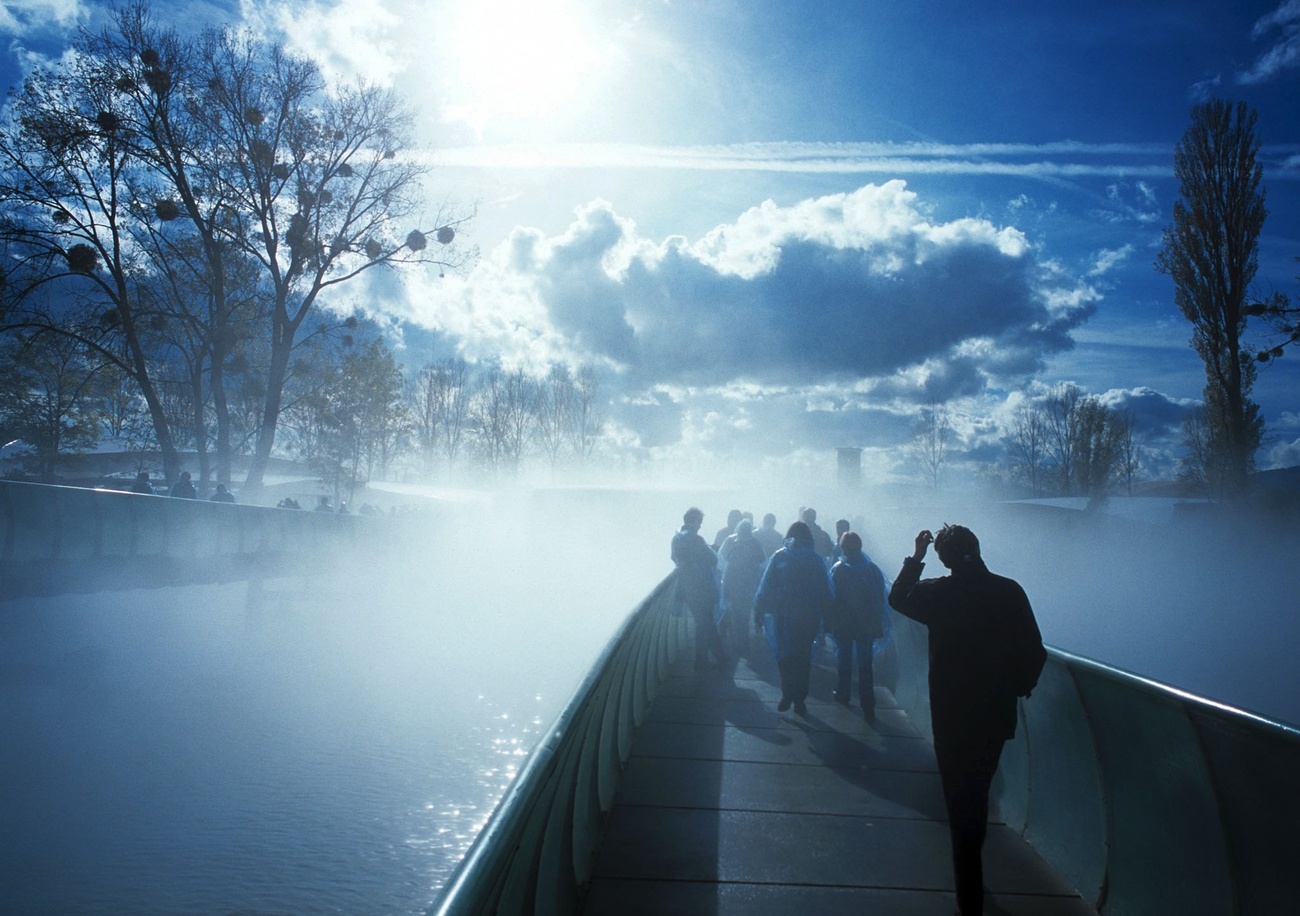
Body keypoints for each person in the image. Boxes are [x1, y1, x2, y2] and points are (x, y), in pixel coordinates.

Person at [888, 525, 1046, 916]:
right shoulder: (1010, 591)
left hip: (951, 713)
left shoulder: (939, 594)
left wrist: (916, 556)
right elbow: (1035, 652)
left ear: (943, 558)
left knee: (960, 800)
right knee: (978, 792)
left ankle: (969, 896)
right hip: (994, 713)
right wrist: (1018, 686)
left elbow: (896, 598)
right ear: (978, 547)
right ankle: (971, 878)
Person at [753, 521, 832, 715]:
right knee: (803, 656)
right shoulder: (815, 560)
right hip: (809, 615)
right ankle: (799, 699)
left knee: (784, 654)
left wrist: (759, 611)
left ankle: (787, 693)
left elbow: (766, 586)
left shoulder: (779, 556)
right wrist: (828, 618)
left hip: (782, 614)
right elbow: (826, 591)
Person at [829, 531, 886, 721]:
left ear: (843, 547)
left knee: (843, 658)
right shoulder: (871, 569)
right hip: (866, 623)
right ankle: (867, 702)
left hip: (844, 622)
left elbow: (831, 596)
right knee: (865, 663)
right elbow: (881, 596)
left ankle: (843, 694)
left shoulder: (838, 568)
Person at [672, 507, 726, 672]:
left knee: (703, 624)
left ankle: (702, 660)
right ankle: (717, 658)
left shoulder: (676, 539)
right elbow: (713, 559)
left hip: (687, 589)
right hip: (703, 588)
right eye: (699, 522)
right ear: (692, 521)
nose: (699, 526)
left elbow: (673, 558)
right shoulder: (696, 539)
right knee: (707, 624)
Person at [719, 518, 767, 658]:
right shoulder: (755, 542)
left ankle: (732, 645)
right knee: (744, 616)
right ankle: (743, 646)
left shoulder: (730, 540)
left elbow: (723, 558)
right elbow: (762, 560)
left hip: (732, 581)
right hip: (748, 584)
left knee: (732, 613)